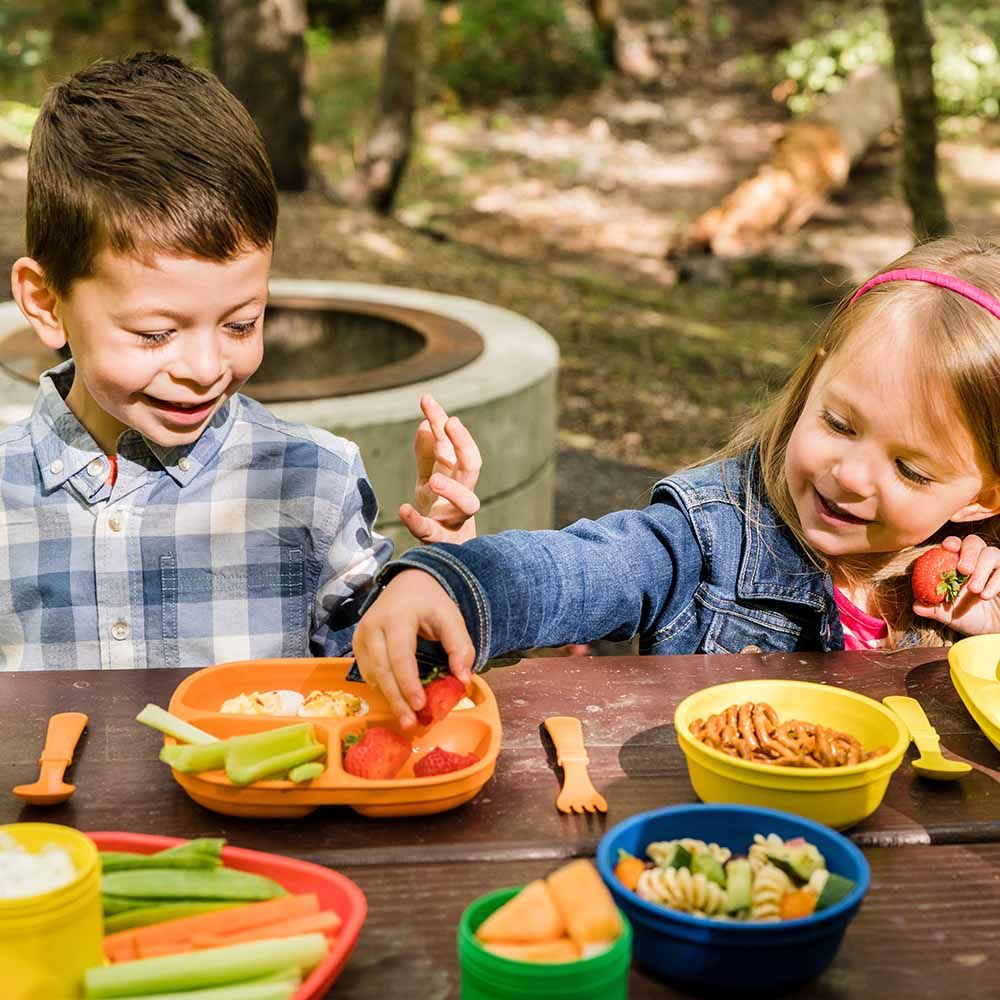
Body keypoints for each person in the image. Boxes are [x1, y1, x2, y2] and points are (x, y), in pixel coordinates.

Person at [353, 236, 1000, 728]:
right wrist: (449, 582)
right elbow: (577, 571)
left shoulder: (977, 591)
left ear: (983, 497)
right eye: (838, 422)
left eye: (910, 469)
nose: (852, 475)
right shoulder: (708, 535)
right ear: (813, 382)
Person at [1, 52, 481, 671]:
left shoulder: (316, 482)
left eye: (240, 324)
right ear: (46, 303)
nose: (205, 367)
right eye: (154, 334)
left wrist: (446, 566)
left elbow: (380, 687)